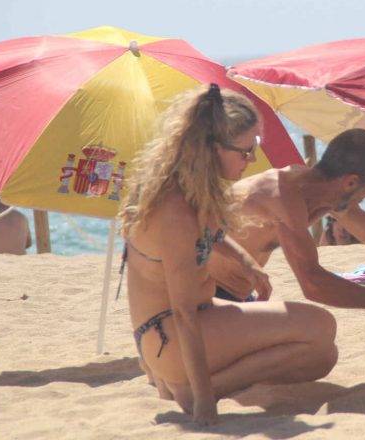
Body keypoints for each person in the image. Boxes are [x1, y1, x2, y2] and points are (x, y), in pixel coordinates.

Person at [119, 84, 338, 425]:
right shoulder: (174, 210)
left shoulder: (188, 185)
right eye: (245, 151)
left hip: (174, 331)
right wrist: (206, 402)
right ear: (212, 148)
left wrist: (247, 264)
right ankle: (196, 388)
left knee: (321, 355)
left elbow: (210, 233)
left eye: (256, 148)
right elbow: (184, 312)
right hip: (171, 332)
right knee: (321, 325)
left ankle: (179, 382)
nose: (251, 160)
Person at [211, 128, 365, 312]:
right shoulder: (282, 195)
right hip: (206, 296)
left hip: (239, 296)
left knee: (314, 338)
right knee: (315, 330)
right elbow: (312, 284)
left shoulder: (325, 195)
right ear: (350, 182)